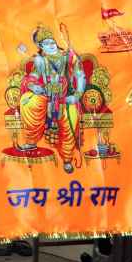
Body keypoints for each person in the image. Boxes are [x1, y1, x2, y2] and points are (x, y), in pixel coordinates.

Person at [17, 24, 86, 174]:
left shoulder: (68, 56)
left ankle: (67, 159)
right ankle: (31, 141)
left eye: (53, 42)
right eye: (47, 43)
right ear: (41, 46)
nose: (52, 45)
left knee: (71, 120)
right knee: (27, 102)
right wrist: (33, 86)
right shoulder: (40, 61)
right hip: (46, 96)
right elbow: (33, 77)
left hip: (65, 97)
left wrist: (77, 96)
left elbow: (80, 76)